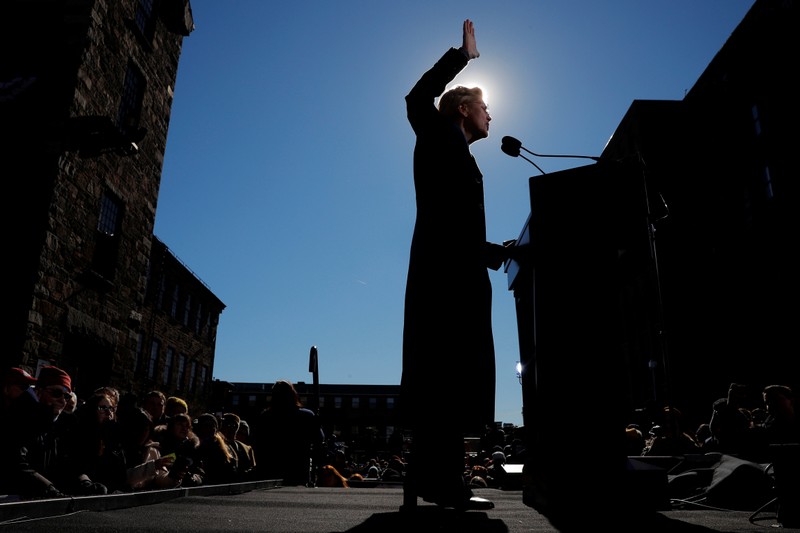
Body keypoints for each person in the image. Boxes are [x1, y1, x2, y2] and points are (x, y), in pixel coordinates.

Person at [400, 18, 509, 511]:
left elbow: (461, 229)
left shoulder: (463, 156)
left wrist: (498, 252)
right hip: (443, 281)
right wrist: (461, 57)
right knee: (442, 376)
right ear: (463, 109)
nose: (491, 115)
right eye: (485, 106)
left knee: (449, 379)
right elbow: (416, 98)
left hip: (458, 274)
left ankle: (437, 477)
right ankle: (442, 482)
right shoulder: (440, 134)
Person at [252, 380, 325, 486]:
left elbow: (257, 443)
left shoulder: (265, 417)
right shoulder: (306, 416)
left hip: (270, 469)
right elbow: (319, 439)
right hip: (298, 469)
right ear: (293, 394)